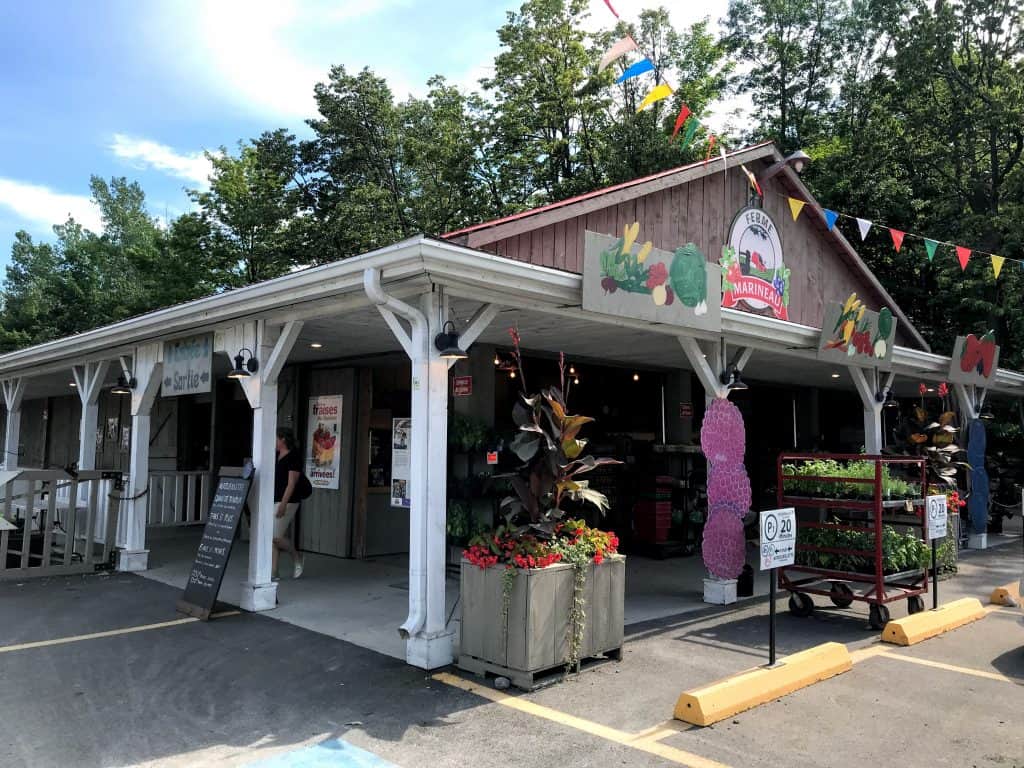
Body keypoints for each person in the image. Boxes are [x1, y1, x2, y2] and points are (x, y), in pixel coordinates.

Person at [273, 428, 311, 579]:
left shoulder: (294, 457)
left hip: (289, 501)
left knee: (274, 536)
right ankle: (273, 572)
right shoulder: (276, 455)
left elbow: (291, 484)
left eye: (276, 438)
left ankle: (297, 557)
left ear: (282, 439)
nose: (274, 441)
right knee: (275, 535)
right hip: (274, 498)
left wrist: (283, 504)